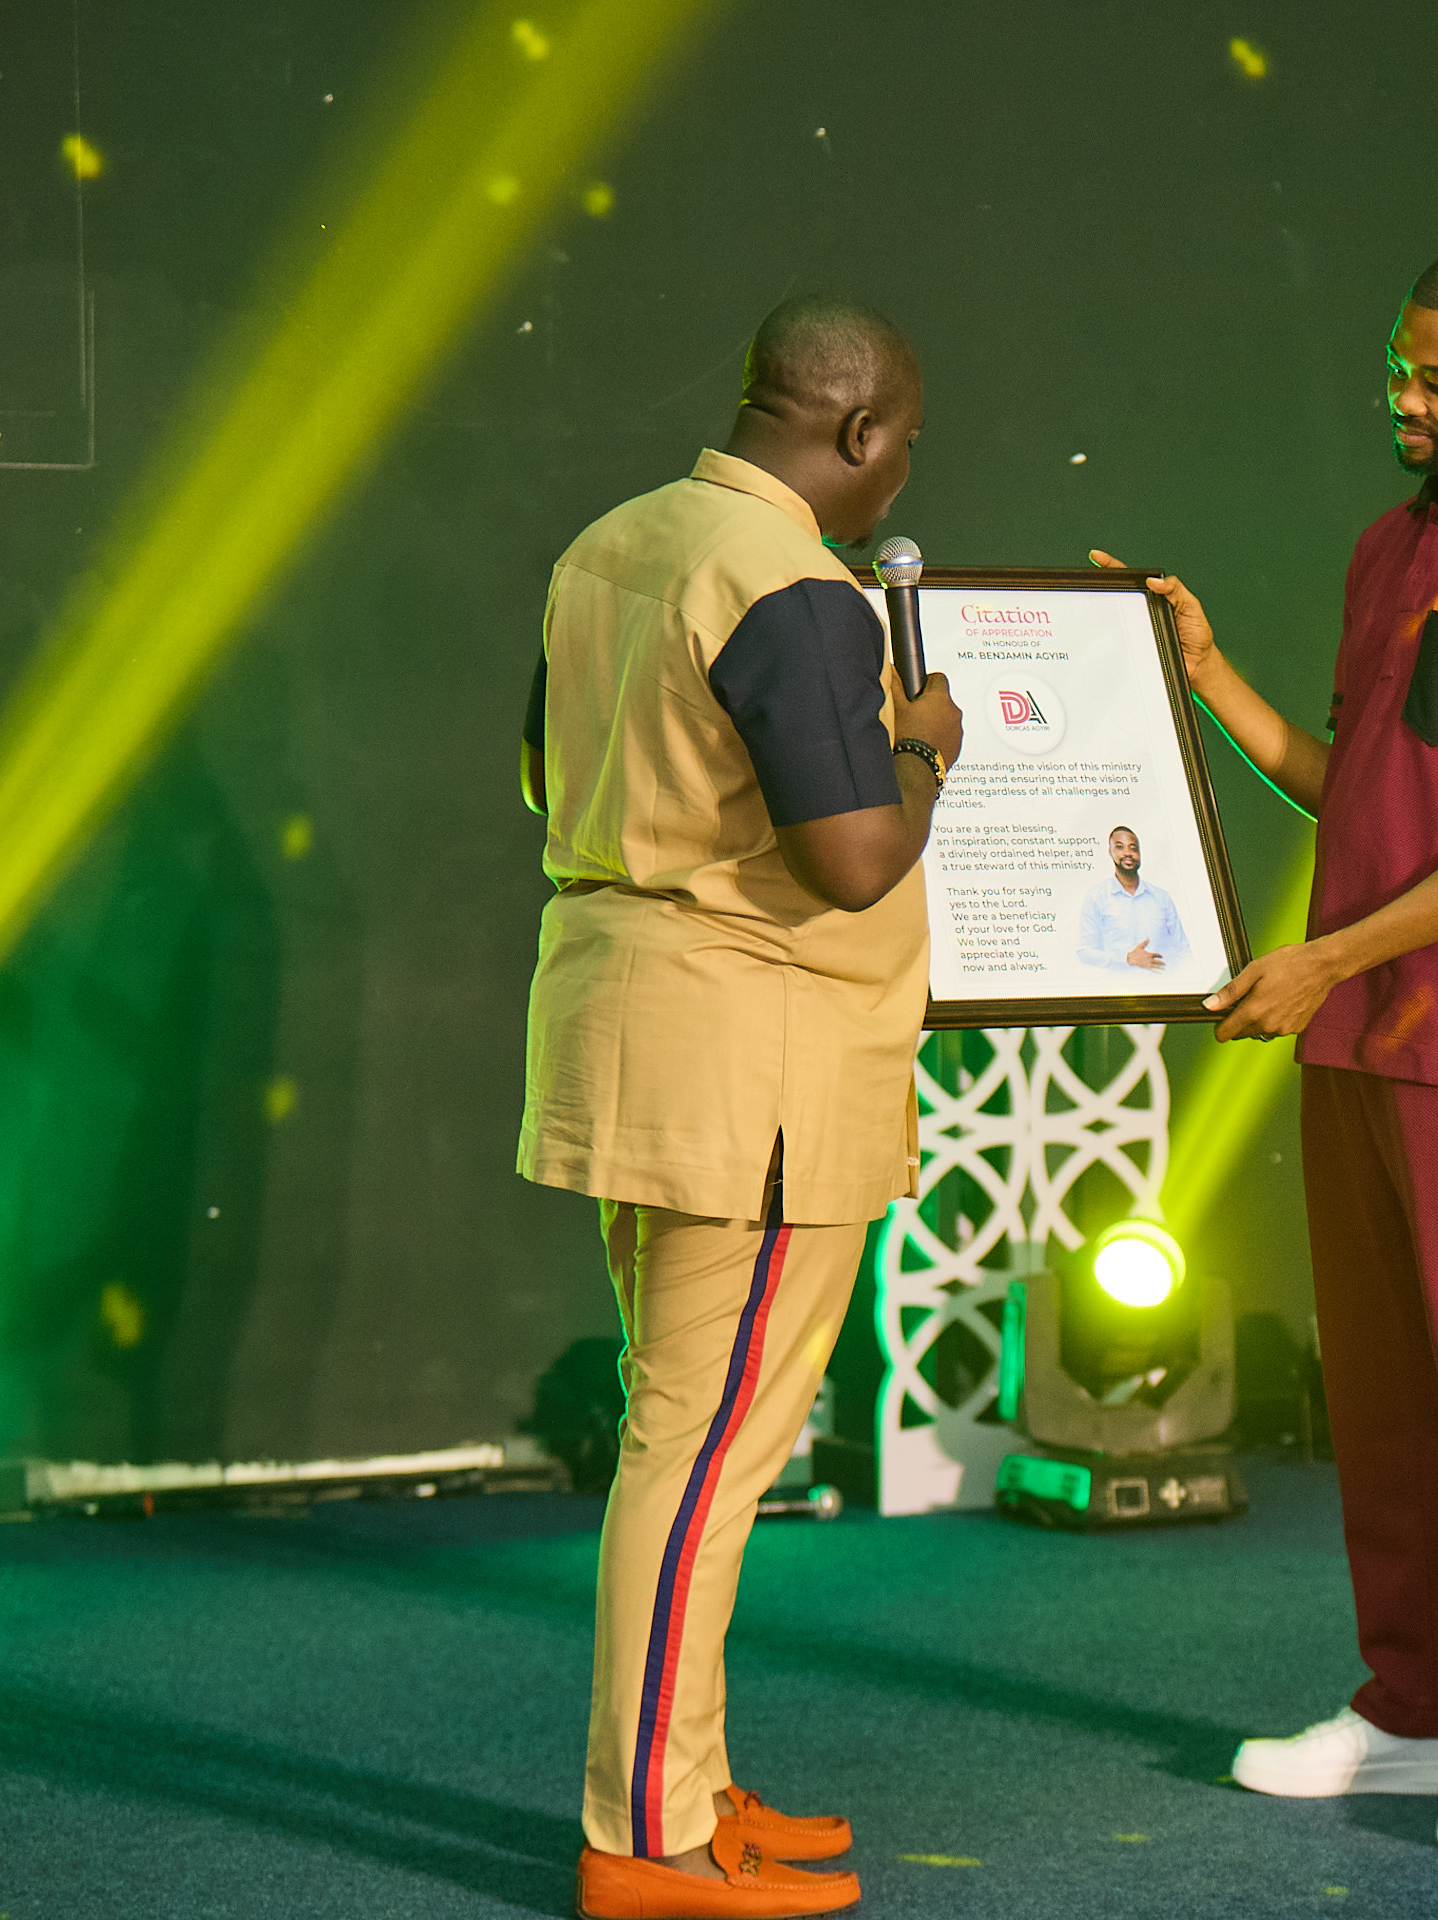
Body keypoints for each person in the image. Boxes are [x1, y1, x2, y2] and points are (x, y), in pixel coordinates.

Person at [1094, 241, 1438, 1854]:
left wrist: (1328, 956)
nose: (1407, 399)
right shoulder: (1385, 548)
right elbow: (1364, 792)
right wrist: (1206, 678)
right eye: (1400, 369)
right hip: (1355, 1040)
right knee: (1388, 1403)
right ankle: (1412, 1710)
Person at [518, 293, 961, 1920]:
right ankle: (647, 1837)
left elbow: (542, 772)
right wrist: (924, 748)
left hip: (637, 1029)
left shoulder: (613, 545)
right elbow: (853, 860)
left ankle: (685, 1789)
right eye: (903, 446)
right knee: (699, 1457)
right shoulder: (795, 583)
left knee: (681, 1430)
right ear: (858, 430)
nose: (900, 476)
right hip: (754, 1066)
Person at [1072, 825, 1191, 973]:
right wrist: (1126, 958)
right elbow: (1085, 952)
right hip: (1120, 984)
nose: (1127, 853)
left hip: (1166, 983)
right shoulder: (1096, 897)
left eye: (1133, 848)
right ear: (1110, 852)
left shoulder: (1161, 897)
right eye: (1120, 847)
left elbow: (1183, 950)